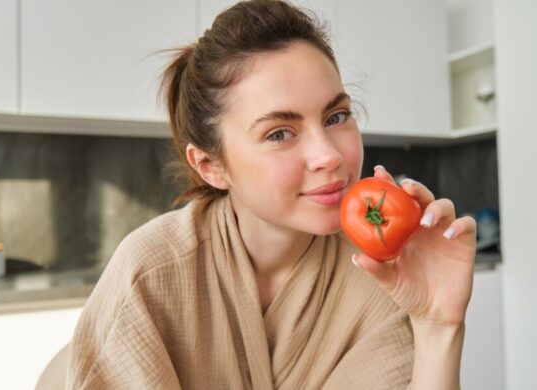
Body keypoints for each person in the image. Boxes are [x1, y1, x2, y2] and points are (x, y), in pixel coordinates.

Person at [66, 1, 476, 389]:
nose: (329, 155)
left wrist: (439, 327)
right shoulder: (149, 275)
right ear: (211, 166)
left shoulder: (379, 275)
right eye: (279, 133)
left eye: (336, 117)